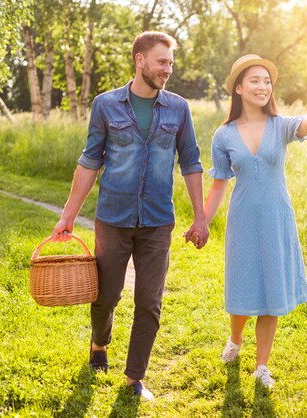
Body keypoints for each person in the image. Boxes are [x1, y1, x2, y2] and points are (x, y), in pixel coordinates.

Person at [200, 54, 307, 388]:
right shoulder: (223, 136)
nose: (263, 86)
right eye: (255, 80)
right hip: (243, 218)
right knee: (243, 286)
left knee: (271, 288)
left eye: (267, 81)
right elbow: (219, 184)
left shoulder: (281, 126)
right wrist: (204, 222)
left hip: (277, 216)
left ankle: (261, 366)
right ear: (238, 87)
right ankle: (235, 337)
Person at [51, 31, 209, 400]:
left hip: (158, 221)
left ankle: (134, 377)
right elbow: (90, 161)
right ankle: (99, 345)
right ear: (140, 60)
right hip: (113, 218)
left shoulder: (178, 108)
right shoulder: (106, 105)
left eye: (170, 62)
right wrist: (68, 215)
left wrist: (201, 216)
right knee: (106, 295)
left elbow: (191, 162)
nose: (167, 69)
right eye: (161, 61)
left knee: (150, 302)